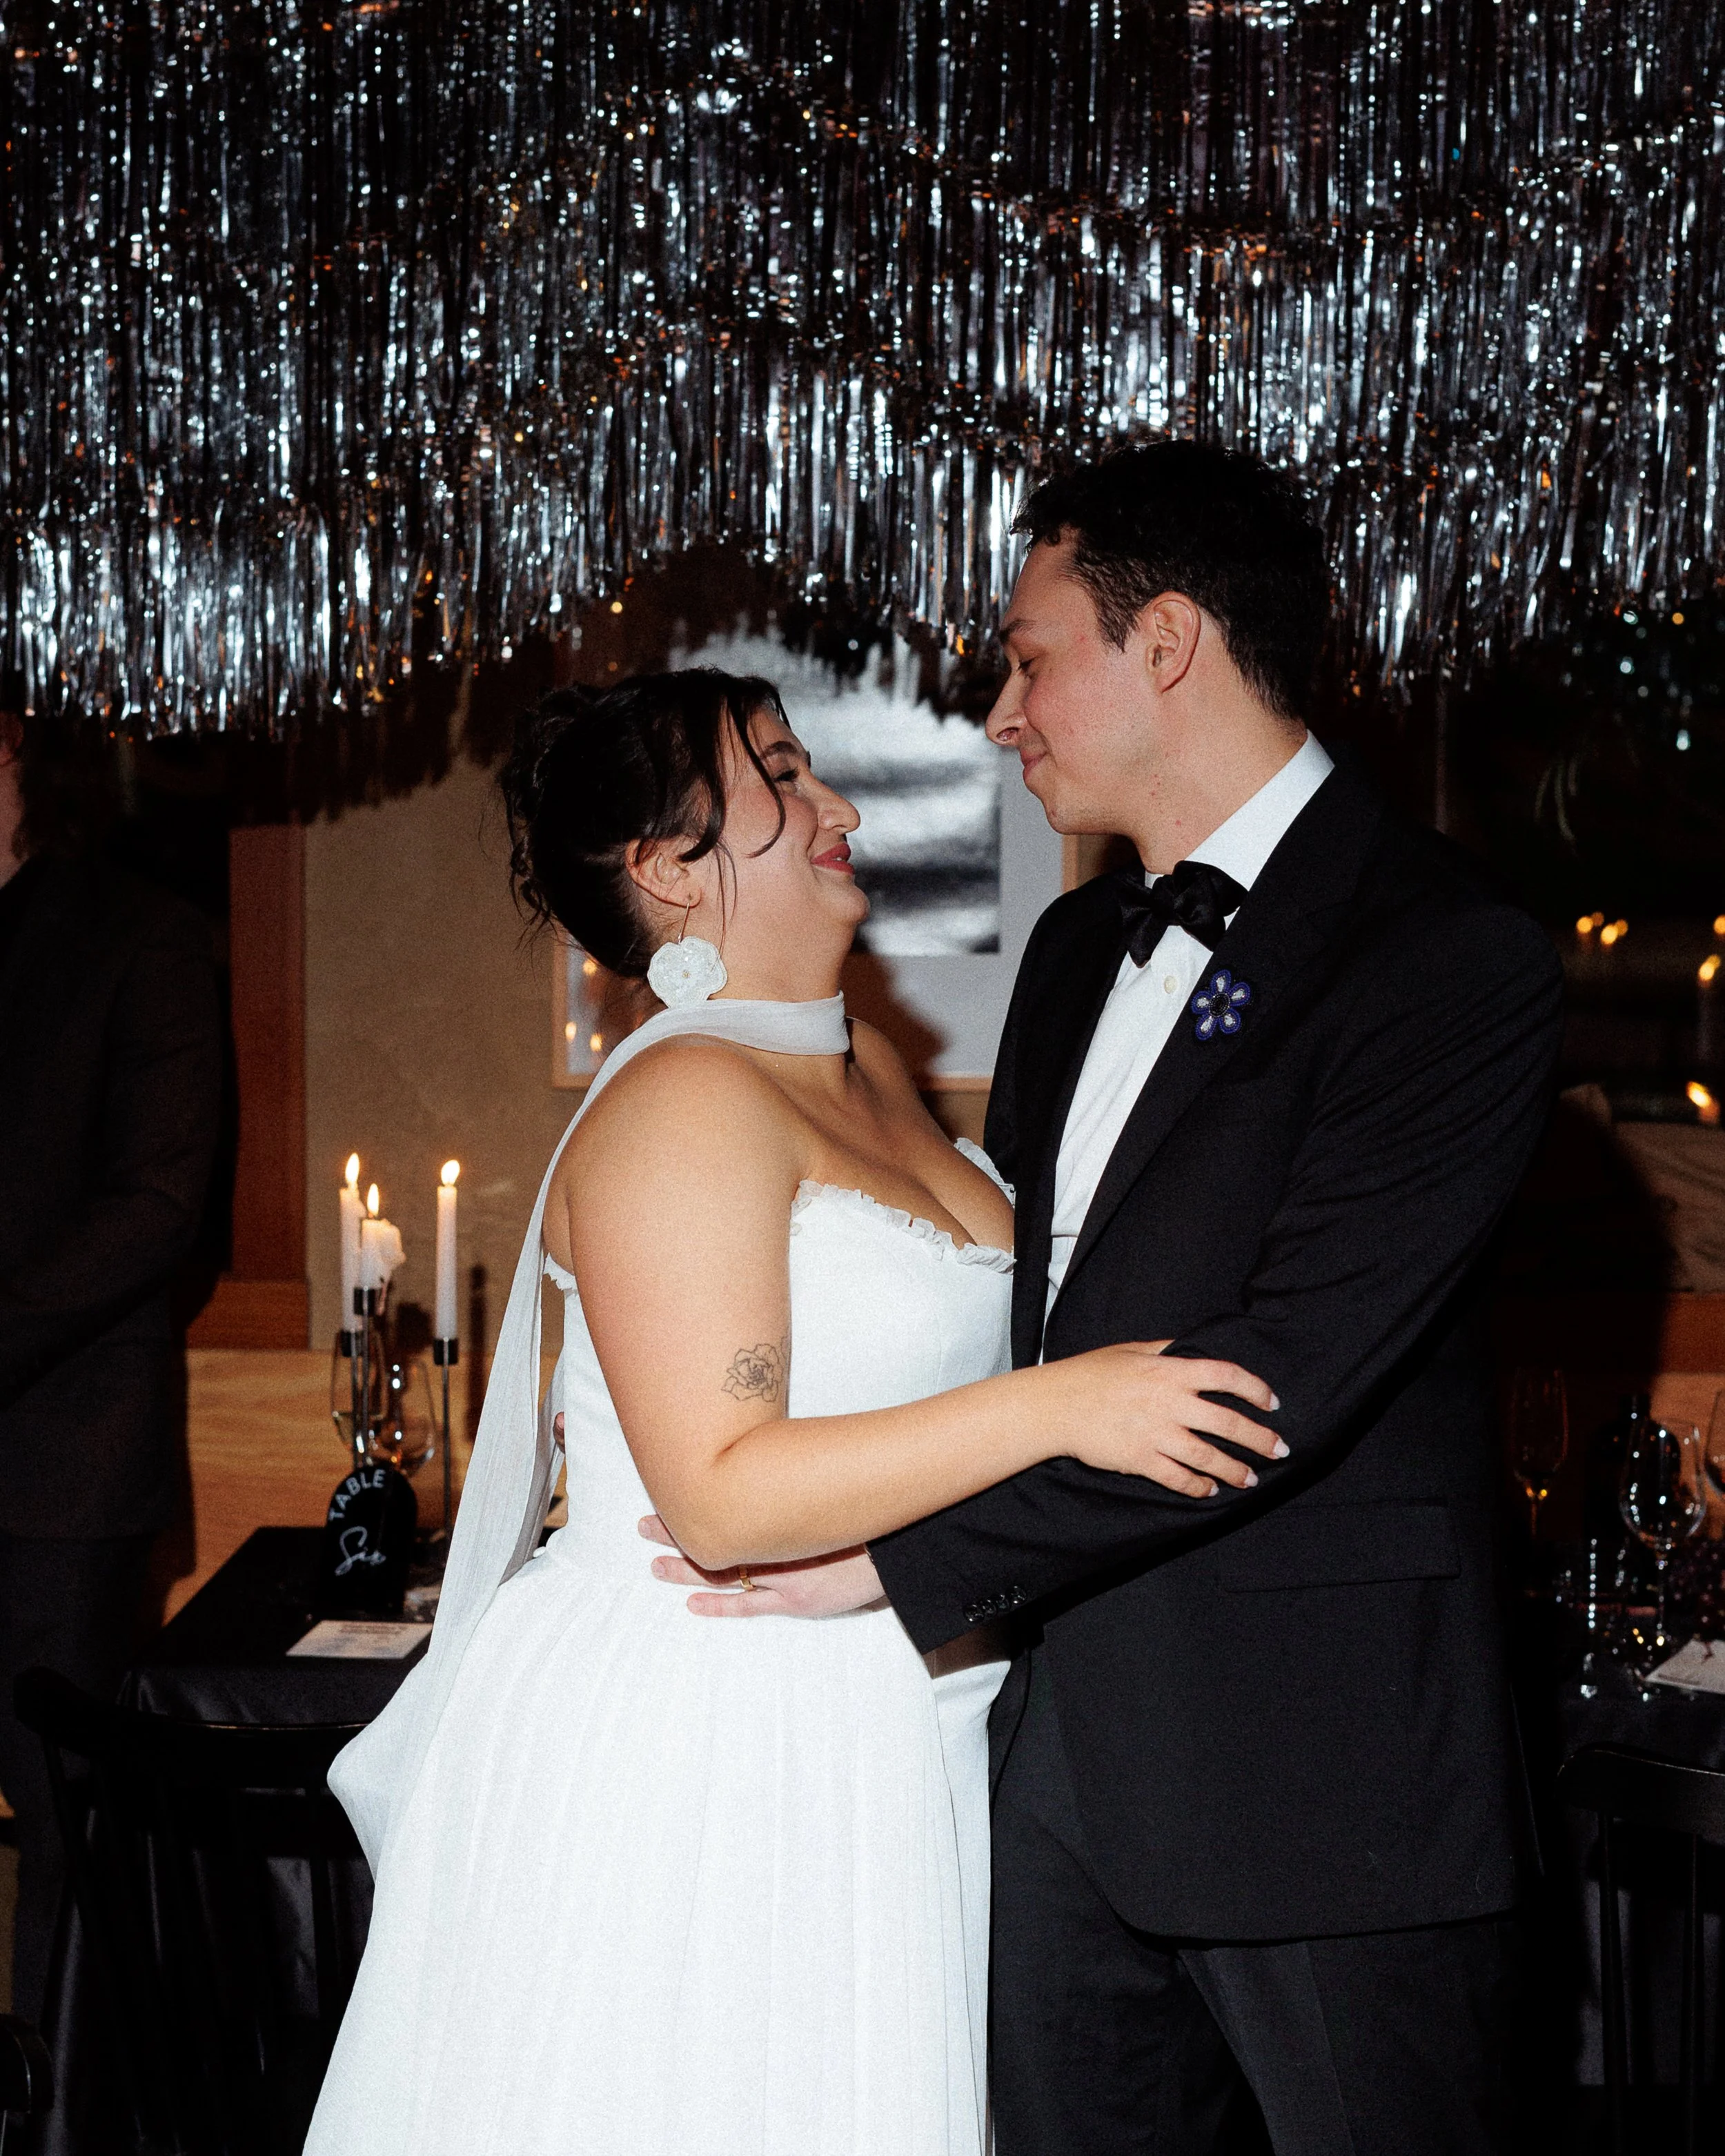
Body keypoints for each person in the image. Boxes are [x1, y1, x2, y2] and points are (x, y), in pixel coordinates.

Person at [651, 446, 1567, 2155]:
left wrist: (903, 1558)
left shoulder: (1449, 952)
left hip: (1327, 1777)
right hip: (1058, 1755)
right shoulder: (1078, 950)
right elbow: (1030, 1320)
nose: (999, 712)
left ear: (1165, 644)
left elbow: (1271, 1381)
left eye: (1027, 656)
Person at [306, 668, 1281, 2156]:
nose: (836, 806)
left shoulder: (863, 1061)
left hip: (902, 1702)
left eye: (806, 766)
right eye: (775, 775)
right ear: (665, 868)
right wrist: (1065, 1406)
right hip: (723, 1731)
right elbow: (721, 1494)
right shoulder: (683, 1101)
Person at [0, 709, 222, 2027]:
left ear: (13, 745)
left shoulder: (141, 936)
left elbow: (156, 1208)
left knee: (68, 1836)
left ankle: (57, 2116)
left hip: (57, 1473)